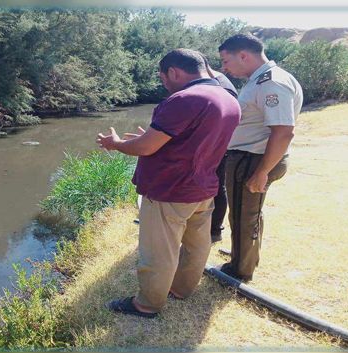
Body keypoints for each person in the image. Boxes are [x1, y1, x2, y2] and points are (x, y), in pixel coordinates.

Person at [96, 48, 240, 318]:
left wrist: (116, 144)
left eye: (163, 78)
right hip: (203, 187)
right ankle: (181, 289)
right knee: (197, 245)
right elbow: (195, 142)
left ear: (173, 72)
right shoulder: (228, 98)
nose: (165, 85)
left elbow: (146, 147)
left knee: (158, 251)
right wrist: (151, 139)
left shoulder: (184, 99)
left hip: (170, 190)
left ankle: (147, 304)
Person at [217, 34, 303, 282]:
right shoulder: (261, 80)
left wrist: (262, 171)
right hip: (251, 158)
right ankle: (244, 256)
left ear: (243, 55)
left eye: (225, 61)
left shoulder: (271, 83)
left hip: (252, 160)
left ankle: (240, 270)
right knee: (247, 212)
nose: (224, 68)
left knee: (245, 215)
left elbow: (283, 130)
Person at [204, 59, 238, 243]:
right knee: (217, 186)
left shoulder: (221, 86)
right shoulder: (220, 80)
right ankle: (213, 230)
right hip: (219, 143)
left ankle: (214, 230)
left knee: (217, 188)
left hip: (219, 145)